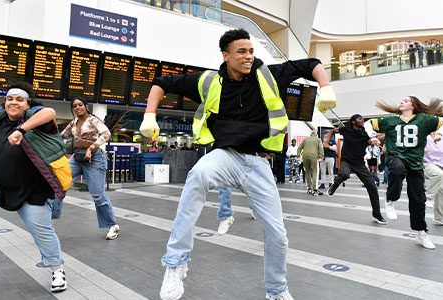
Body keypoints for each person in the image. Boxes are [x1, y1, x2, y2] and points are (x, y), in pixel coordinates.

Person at [139, 28, 337, 300]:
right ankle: (176, 263)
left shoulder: (268, 75)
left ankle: (276, 289)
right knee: (197, 175)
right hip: (226, 157)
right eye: (241, 52)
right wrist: (149, 116)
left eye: (251, 51)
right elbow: (162, 83)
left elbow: (311, 64)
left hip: (258, 164)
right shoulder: (208, 81)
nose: (248, 56)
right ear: (226, 55)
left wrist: (325, 86)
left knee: (277, 233)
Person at [0, 82, 67, 292]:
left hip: (32, 192)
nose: (13, 102)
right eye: (10, 98)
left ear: (27, 104)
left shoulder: (36, 122)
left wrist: (21, 130)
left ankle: (57, 268)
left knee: (42, 232)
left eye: (19, 99)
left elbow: (50, 111)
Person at [367, 96, 443, 249]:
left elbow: (440, 121)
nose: (401, 101)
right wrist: (372, 137)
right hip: (396, 157)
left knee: (418, 201)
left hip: (415, 162)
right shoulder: (391, 121)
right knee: (397, 169)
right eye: (401, 100)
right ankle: (390, 200)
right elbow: (368, 123)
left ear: (413, 105)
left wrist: (438, 134)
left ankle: (421, 233)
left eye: (405, 100)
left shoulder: (424, 119)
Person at [61, 97, 120, 240]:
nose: (77, 108)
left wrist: (92, 147)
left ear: (86, 106)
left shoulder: (93, 120)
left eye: (80, 105)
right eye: (74, 106)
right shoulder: (73, 123)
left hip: (95, 158)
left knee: (97, 194)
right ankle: (49, 217)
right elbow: (62, 136)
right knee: (58, 181)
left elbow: (106, 134)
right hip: (78, 158)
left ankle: (112, 225)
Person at [324, 114, 387, 225]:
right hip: (347, 161)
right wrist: (326, 141)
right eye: (359, 118)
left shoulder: (364, 133)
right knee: (344, 174)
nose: (362, 120)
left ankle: (376, 214)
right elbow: (332, 131)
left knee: (372, 187)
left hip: (360, 164)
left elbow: (372, 140)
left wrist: (380, 138)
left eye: (363, 119)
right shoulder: (346, 129)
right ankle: (334, 185)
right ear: (353, 121)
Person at [423, 130, 443, 224]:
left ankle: (438, 219)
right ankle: (429, 198)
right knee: (438, 174)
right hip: (427, 164)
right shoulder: (425, 138)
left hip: (440, 166)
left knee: (441, 191)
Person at [297, 131, 324, 195]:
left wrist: (298, 155)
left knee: (307, 172)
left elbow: (299, 147)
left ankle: (309, 188)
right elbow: (320, 148)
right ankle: (315, 189)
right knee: (315, 172)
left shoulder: (305, 139)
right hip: (314, 156)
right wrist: (321, 156)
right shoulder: (318, 140)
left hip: (305, 156)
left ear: (310, 135)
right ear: (316, 135)